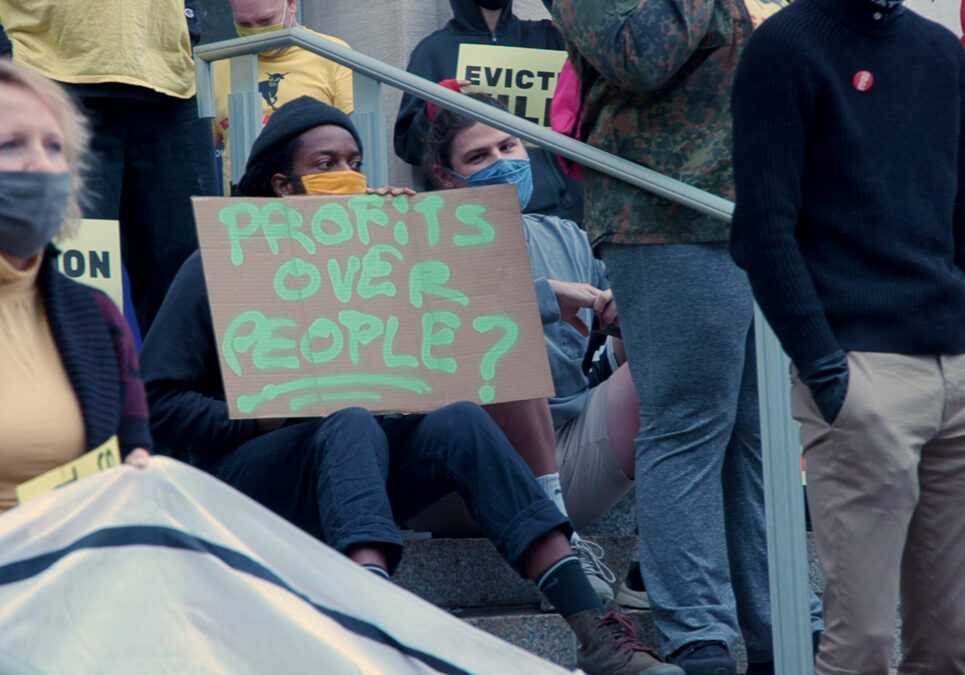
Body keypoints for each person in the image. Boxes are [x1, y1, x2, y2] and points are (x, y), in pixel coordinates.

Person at [140, 96, 682, 675]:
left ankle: (592, 630)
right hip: (254, 473)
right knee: (345, 416)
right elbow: (156, 402)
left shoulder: (379, 256)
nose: (345, 176)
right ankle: (377, 623)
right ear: (283, 186)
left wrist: (411, 245)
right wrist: (267, 415)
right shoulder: (218, 266)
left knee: (459, 418)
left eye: (354, 161)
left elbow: (467, 338)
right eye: (325, 165)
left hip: (359, 463)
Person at [551, 1, 824, 672]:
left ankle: (782, 624)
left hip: (754, 207)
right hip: (666, 215)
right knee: (687, 421)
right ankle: (697, 633)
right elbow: (640, 53)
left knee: (759, 430)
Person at [730, 0, 965, 672]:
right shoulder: (784, 48)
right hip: (861, 377)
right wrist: (827, 372)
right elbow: (761, 230)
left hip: (952, 362)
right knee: (860, 643)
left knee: (949, 647)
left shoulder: (940, 52)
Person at [424, 93, 642, 606]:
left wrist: (624, 318)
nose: (501, 162)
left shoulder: (566, 234)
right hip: (462, 474)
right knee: (503, 339)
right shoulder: (423, 239)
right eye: (479, 157)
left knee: (676, 357)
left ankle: (661, 565)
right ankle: (558, 553)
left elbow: (628, 346)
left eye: (509, 145)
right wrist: (544, 297)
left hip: (568, 456)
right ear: (446, 178)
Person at [0, 0, 219, 335]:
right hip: (46, 71)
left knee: (189, 270)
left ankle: (175, 388)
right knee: (66, 270)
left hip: (169, 79)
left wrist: (187, 17)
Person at [0, 61, 150, 513]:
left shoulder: (99, 316)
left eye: (54, 147)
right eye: (11, 145)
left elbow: (133, 449)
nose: (42, 166)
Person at [394, 0, 583, 222]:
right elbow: (408, 147)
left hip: (557, 211)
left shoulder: (548, 36)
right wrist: (433, 110)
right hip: (474, 218)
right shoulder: (433, 50)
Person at [213, 0, 354, 194]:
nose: (256, 31)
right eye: (244, 24)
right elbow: (200, 153)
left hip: (319, 203)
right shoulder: (217, 65)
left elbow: (352, 146)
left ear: (292, 4)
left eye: (266, 20)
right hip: (245, 210)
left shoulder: (332, 53)